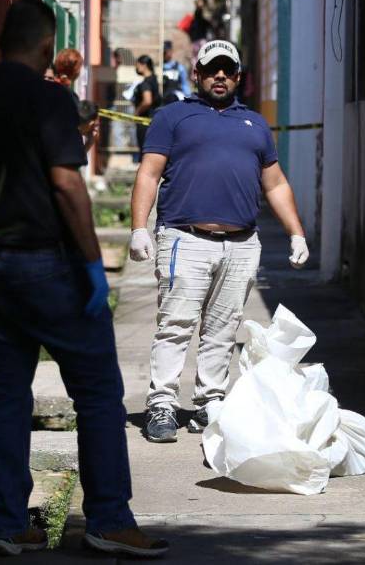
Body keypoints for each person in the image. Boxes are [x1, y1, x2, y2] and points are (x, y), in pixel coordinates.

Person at [0, 0, 167, 558]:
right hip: (49, 266)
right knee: (97, 393)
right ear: (46, 46)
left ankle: (11, 526)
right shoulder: (50, 100)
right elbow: (66, 185)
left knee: (8, 396)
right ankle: (109, 518)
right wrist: (92, 266)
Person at [128, 39, 310, 443]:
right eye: (212, 69)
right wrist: (139, 226)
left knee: (222, 328)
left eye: (228, 69)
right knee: (175, 325)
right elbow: (148, 174)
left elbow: (276, 183)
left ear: (239, 76)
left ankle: (210, 401)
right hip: (184, 238)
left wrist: (296, 232)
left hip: (242, 244)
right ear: (198, 75)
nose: (220, 76)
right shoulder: (173, 117)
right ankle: (161, 404)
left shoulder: (255, 124)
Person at [131, 55, 161, 161]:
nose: (136, 67)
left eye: (138, 65)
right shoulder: (154, 80)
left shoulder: (146, 83)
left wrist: (137, 111)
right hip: (154, 121)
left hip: (144, 123)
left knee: (145, 155)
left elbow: (147, 101)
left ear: (144, 65)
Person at [162, 40, 191, 105]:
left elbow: (185, 84)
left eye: (167, 51)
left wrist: (188, 97)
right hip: (163, 97)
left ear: (171, 51)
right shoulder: (159, 68)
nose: (165, 54)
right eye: (164, 52)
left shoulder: (179, 67)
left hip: (176, 97)